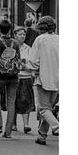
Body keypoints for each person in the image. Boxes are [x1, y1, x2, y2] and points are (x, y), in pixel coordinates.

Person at [29, 15, 60, 145]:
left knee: (44, 109)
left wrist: (32, 69)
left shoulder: (40, 40)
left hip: (43, 78)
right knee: (49, 109)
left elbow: (33, 60)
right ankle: (42, 135)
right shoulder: (59, 39)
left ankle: (57, 126)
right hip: (58, 79)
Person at [0, 19, 21, 138]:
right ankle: (8, 131)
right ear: (10, 30)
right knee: (11, 103)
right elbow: (19, 60)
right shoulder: (15, 43)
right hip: (14, 77)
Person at [13, 26, 36, 133]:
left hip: (26, 77)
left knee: (26, 101)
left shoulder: (28, 49)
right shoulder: (11, 47)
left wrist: (24, 66)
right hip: (15, 77)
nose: (22, 36)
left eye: (24, 34)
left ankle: (26, 124)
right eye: (20, 34)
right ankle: (13, 124)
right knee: (13, 101)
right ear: (15, 35)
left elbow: (32, 64)